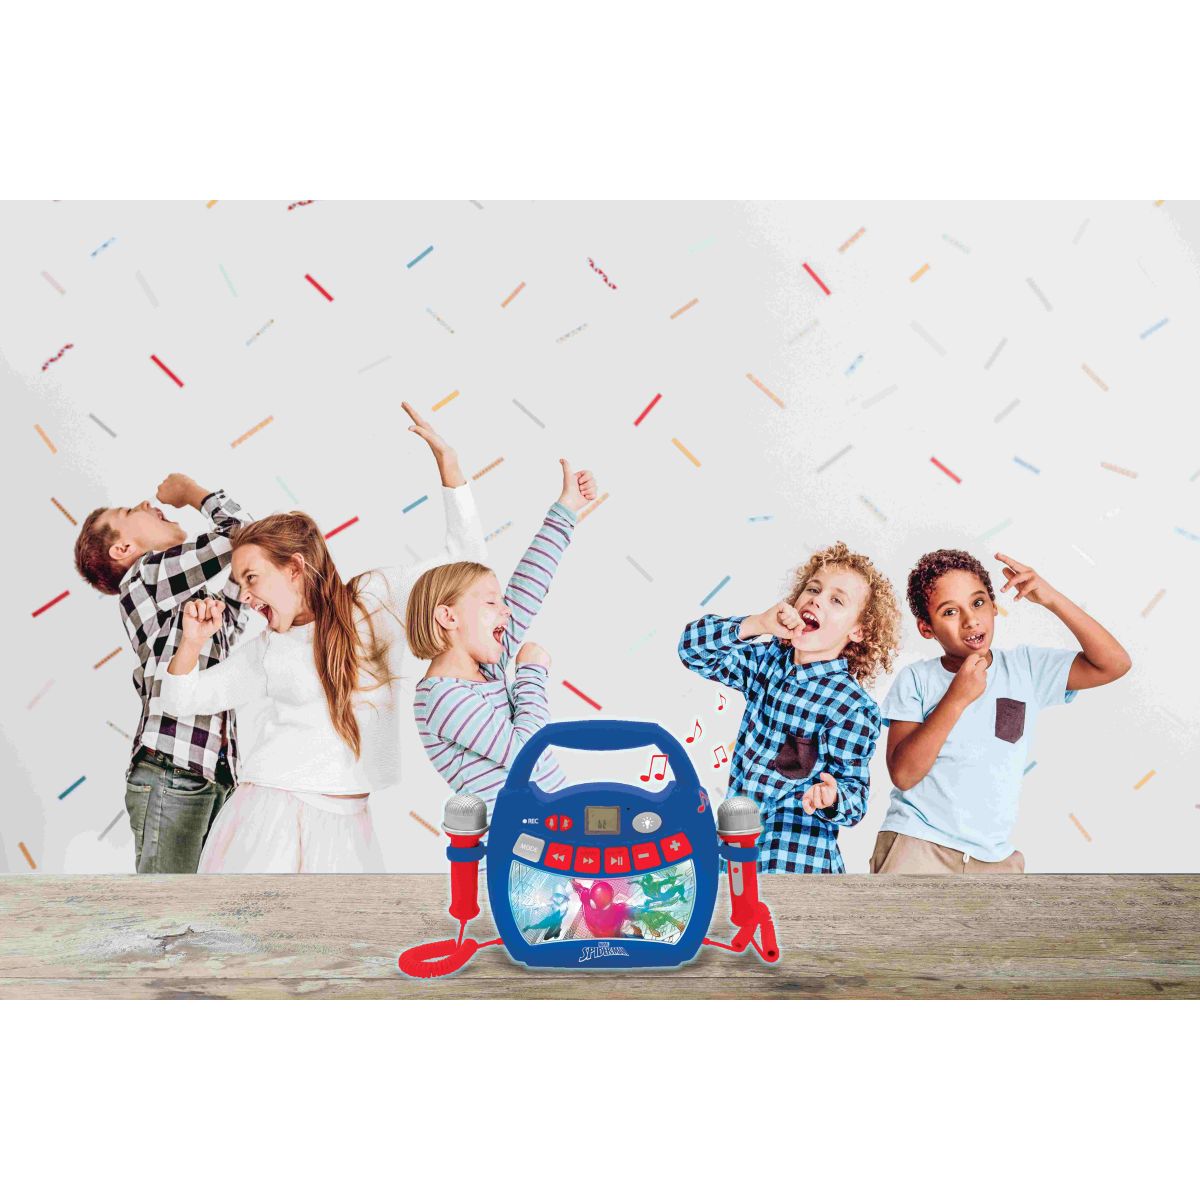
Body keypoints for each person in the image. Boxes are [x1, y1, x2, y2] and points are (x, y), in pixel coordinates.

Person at [156, 404, 485, 871]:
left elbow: (466, 564)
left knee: (339, 922)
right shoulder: (268, 650)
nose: (244, 595)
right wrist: (192, 641)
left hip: (348, 823)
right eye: (240, 582)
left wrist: (448, 464)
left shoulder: (373, 602)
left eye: (252, 578)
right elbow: (180, 700)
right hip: (270, 810)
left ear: (295, 569)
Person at [873, 549, 1131, 874]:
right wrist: (956, 699)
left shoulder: (1026, 669)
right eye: (950, 611)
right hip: (918, 844)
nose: (970, 620)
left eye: (978, 602)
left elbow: (1114, 664)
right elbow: (904, 774)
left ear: (995, 606)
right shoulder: (916, 679)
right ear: (927, 628)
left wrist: (1051, 598)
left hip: (994, 858)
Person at [678, 541, 901, 873]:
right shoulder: (766, 662)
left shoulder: (851, 705)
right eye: (813, 589)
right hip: (734, 855)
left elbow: (855, 800)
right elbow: (692, 651)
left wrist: (832, 797)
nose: (817, 600)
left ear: (858, 631)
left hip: (797, 863)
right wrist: (757, 624)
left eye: (836, 600)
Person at [73, 474, 254, 872]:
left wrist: (251, 574)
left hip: (208, 773)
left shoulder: (182, 602)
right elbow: (242, 534)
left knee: (194, 907)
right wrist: (192, 493)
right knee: (168, 907)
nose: (144, 503)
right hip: (175, 770)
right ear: (123, 549)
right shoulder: (146, 577)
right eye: (128, 511)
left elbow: (234, 608)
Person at [407, 460, 597, 815]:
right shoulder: (442, 697)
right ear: (448, 617)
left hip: (557, 831)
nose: (506, 611)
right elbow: (528, 754)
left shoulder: (486, 671)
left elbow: (529, 586)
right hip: (520, 842)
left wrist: (566, 509)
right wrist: (531, 674)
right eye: (491, 603)